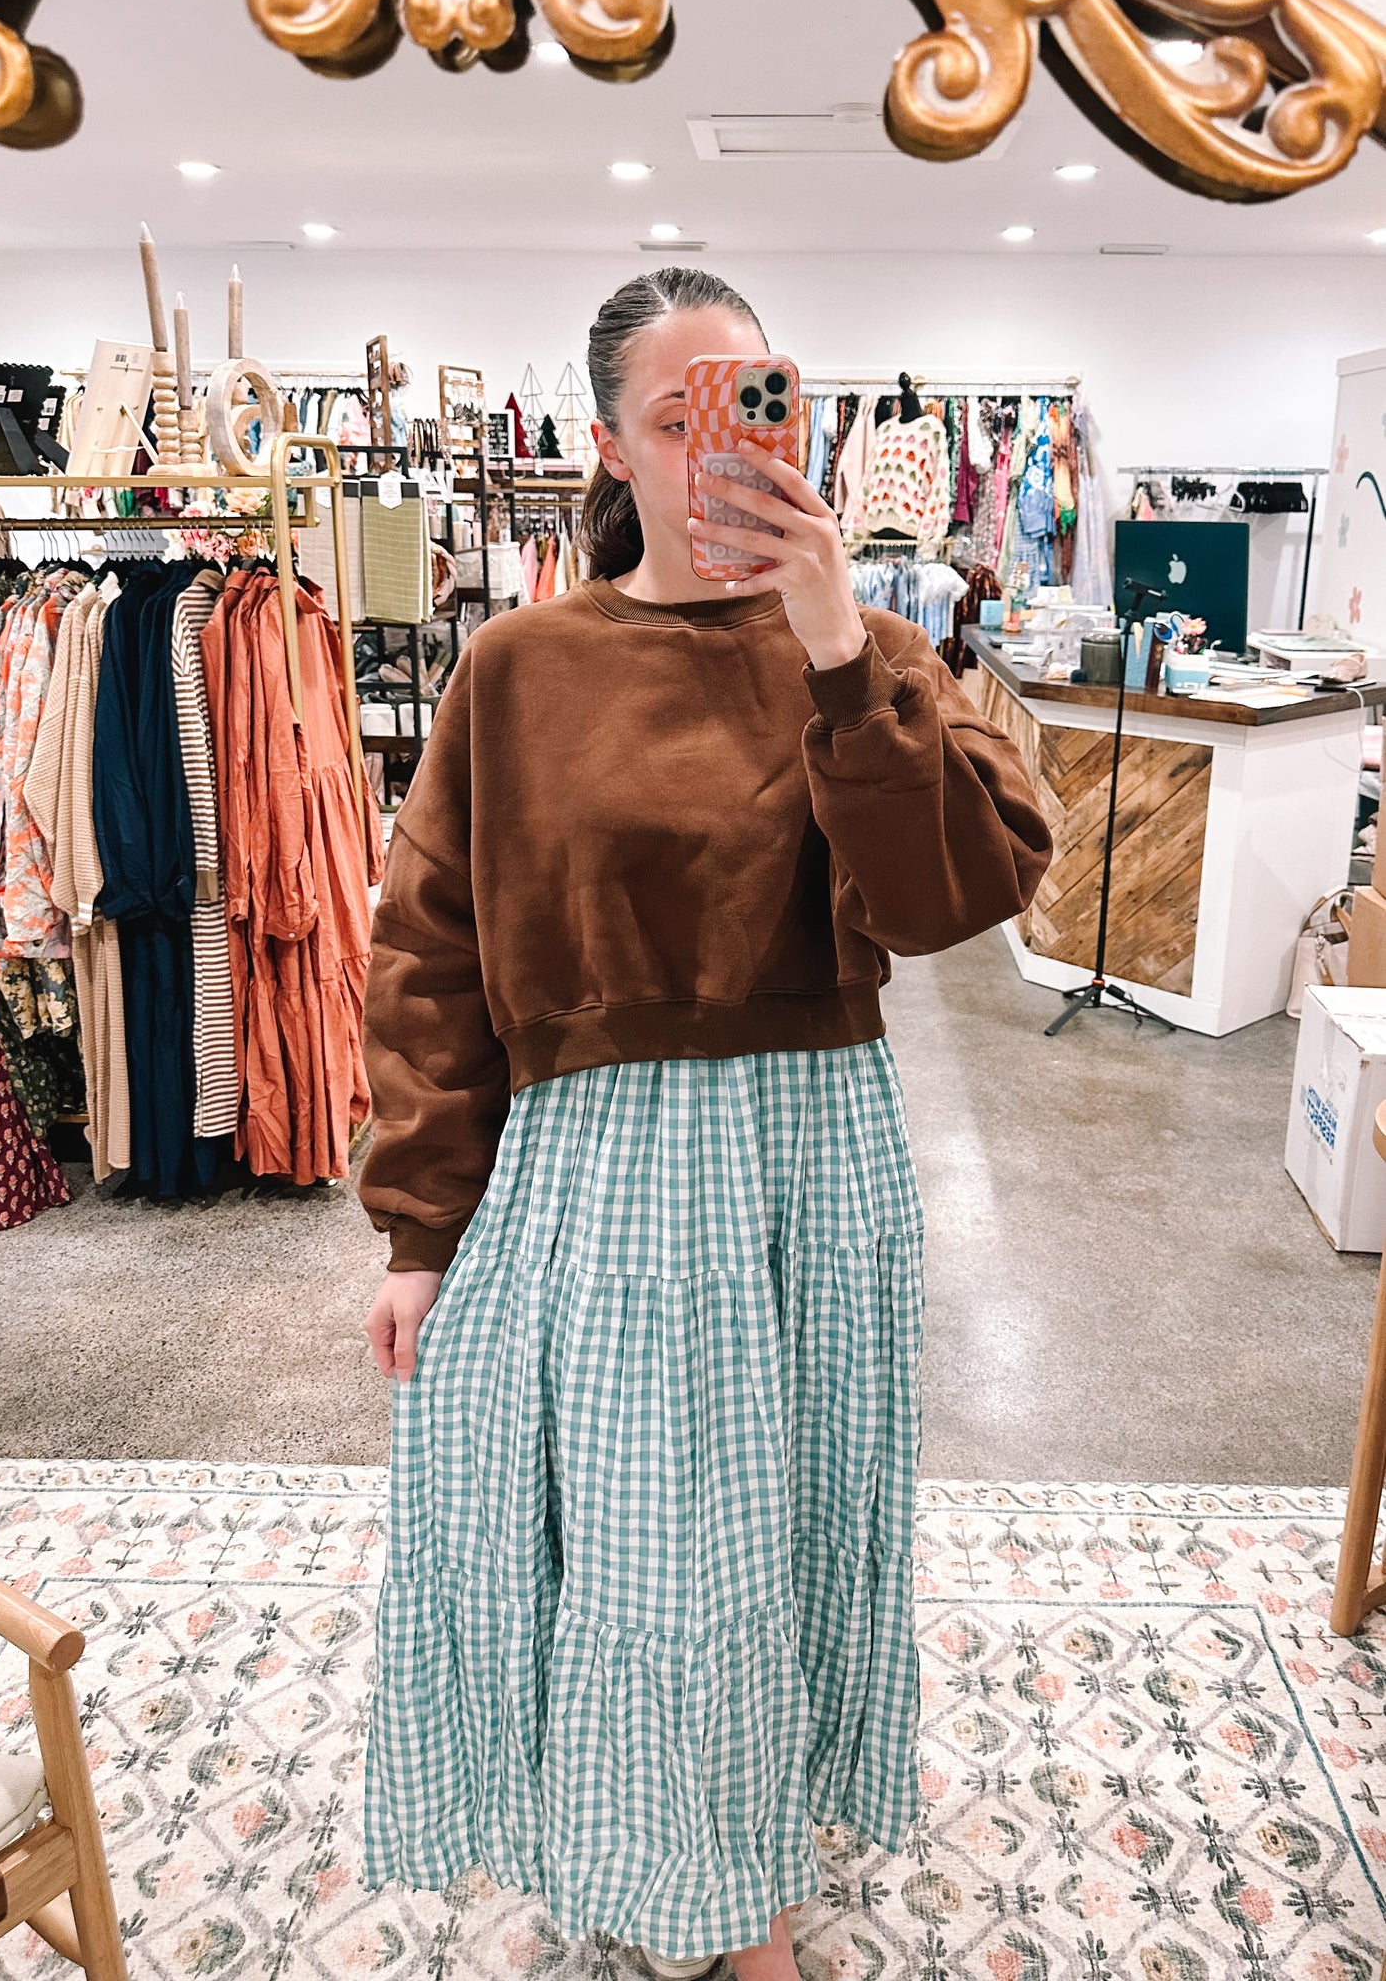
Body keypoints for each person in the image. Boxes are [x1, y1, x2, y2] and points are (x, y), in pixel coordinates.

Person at [357, 268, 1053, 1980]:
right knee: (623, 1548)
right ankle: (633, 1838)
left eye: (742, 411)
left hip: (810, 1165)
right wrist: (415, 1230)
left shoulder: (873, 653)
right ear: (607, 443)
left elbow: (959, 895)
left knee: (786, 1532)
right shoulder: (519, 669)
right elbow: (431, 951)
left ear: (792, 424)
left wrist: (834, 651)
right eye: (668, 420)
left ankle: (741, 1878)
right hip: (596, 1178)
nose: (706, 451)